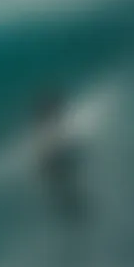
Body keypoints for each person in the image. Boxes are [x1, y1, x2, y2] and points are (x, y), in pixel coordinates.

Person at [34, 90, 85, 224]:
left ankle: (75, 221)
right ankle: (75, 221)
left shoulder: (50, 128)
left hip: (58, 168)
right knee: (68, 197)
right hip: (57, 168)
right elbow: (46, 156)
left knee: (70, 198)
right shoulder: (48, 130)